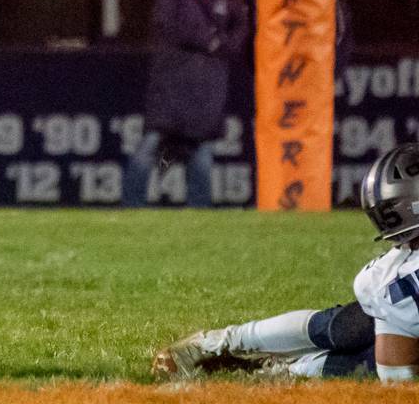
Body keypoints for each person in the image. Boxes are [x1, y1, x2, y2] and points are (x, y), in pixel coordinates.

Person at [153, 143, 419, 381]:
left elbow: (396, 382)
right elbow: (396, 379)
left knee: (366, 360)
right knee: (348, 327)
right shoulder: (394, 279)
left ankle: (283, 370)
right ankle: (218, 343)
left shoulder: (397, 283)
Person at [121, 0, 247, 208]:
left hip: (208, 85)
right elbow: (166, 25)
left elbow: (240, 29)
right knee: (152, 143)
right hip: (173, 82)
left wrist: (222, 45)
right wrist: (209, 41)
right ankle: (131, 207)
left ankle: (199, 211)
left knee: (201, 149)